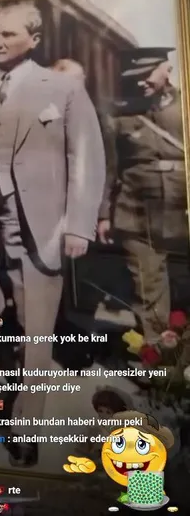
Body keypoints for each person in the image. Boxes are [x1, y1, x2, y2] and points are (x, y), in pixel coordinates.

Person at [0, 2, 105, 467]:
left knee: (38, 326)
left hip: (38, 222)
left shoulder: (63, 88)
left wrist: (79, 224)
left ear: (34, 39)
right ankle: (3, 391)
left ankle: (27, 427)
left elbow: (87, 158)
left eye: (8, 34)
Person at [97, 47, 187, 343]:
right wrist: (104, 214)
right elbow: (109, 167)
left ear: (167, 69)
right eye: (134, 76)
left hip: (181, 205)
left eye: (147, 74)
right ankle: (158, 354)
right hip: (136, 210)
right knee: (148, 285)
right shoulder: (118, 114)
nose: (140, 82)